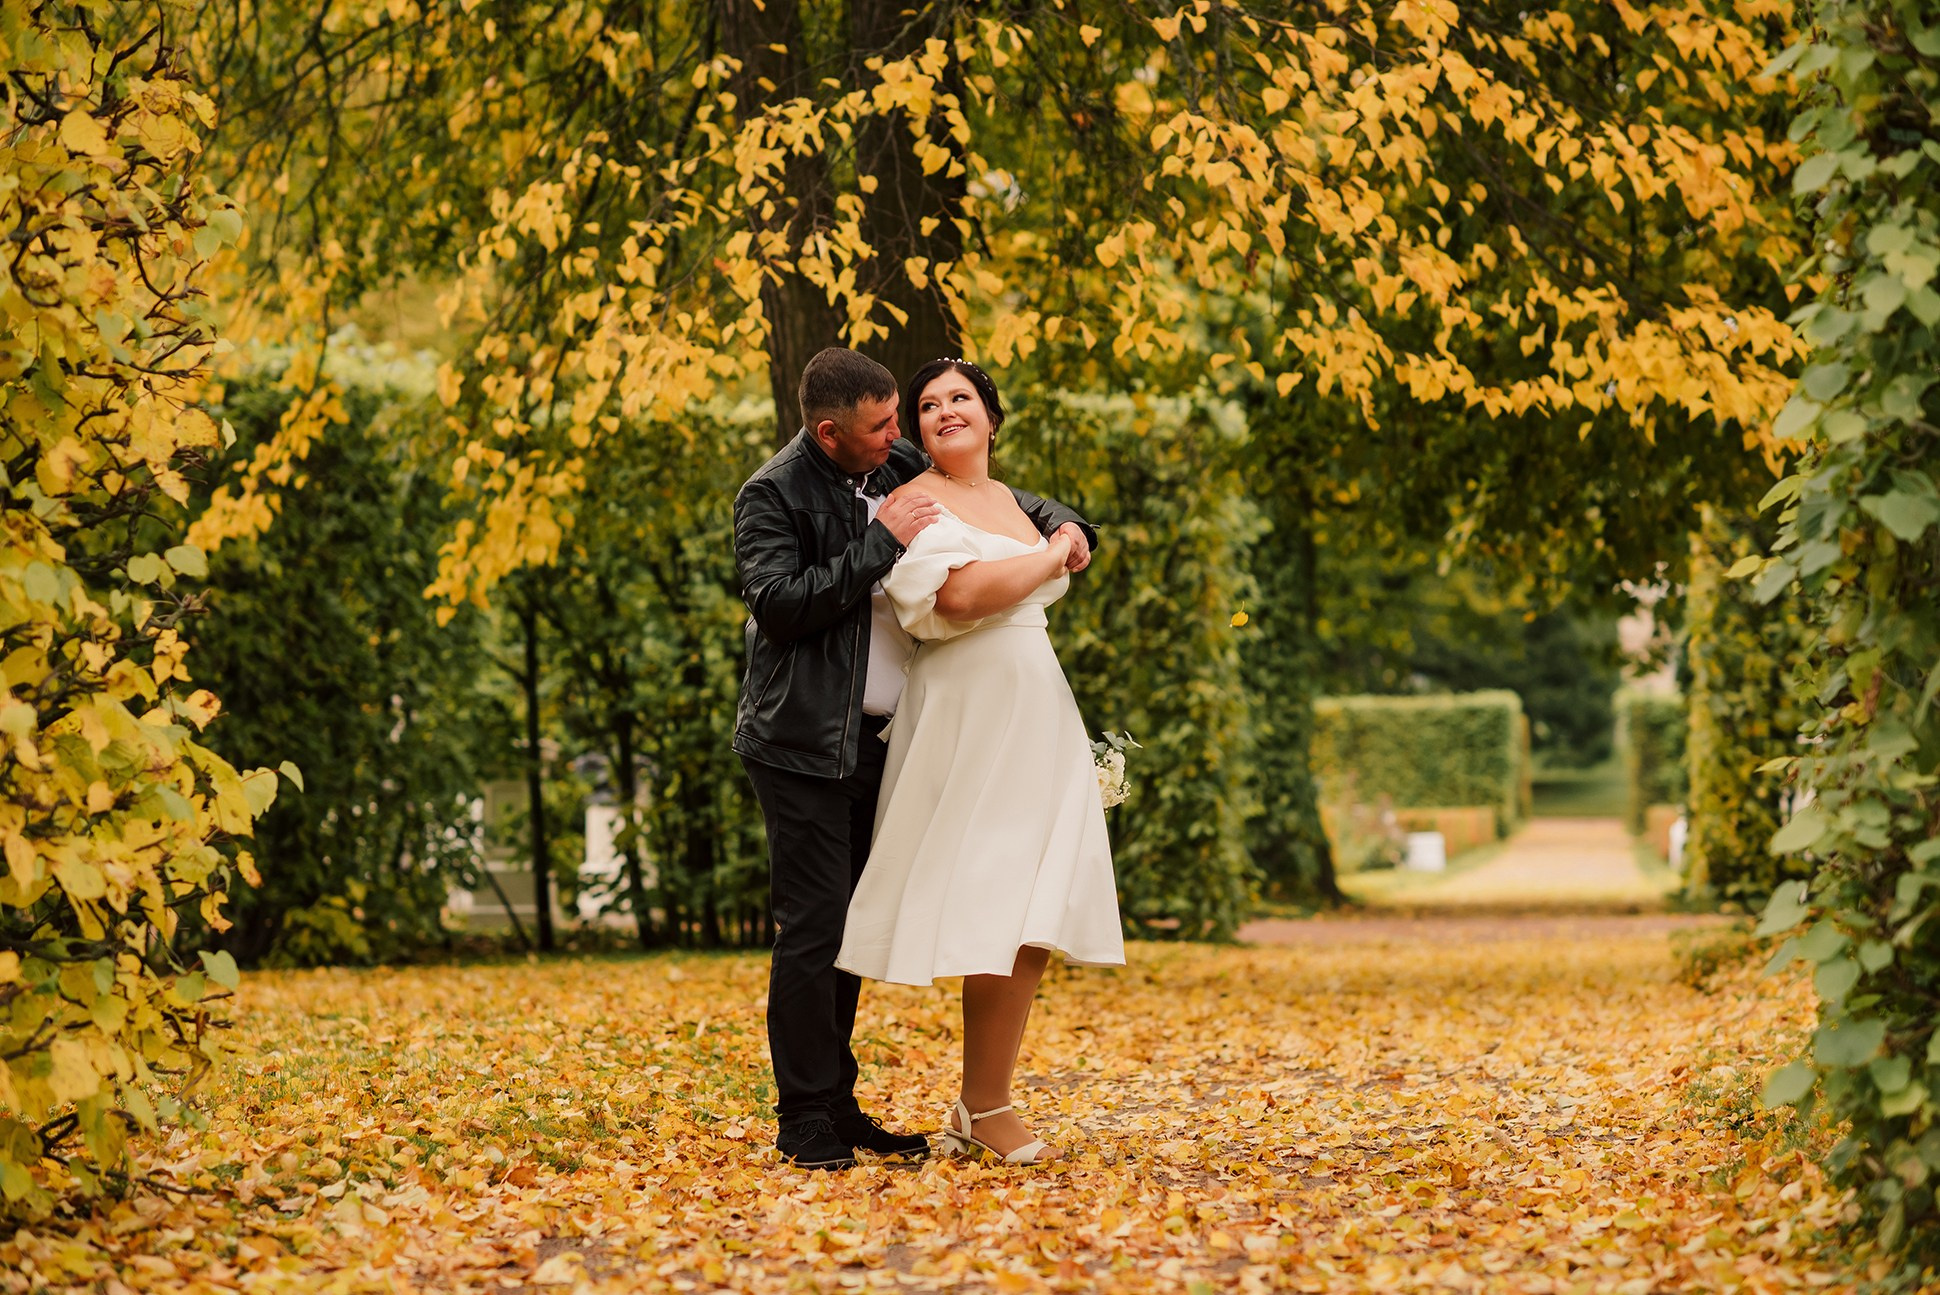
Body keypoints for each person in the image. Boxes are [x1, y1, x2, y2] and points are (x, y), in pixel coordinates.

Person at [733, 347, 1097, 1171]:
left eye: (903, 415)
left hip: (885, 735)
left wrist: (1071, 526)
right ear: (830, 432)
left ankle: (840, 1101)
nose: (900, 434)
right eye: (881, 425)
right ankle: (805, 1114)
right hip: (803, 740)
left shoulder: (892, 460)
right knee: (814, 925)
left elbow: (1004, 497)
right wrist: (879, 543)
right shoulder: (772, 493)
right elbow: (780, 606)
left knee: (850, 922)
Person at [835, 358, 1125, 1167]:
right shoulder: (914, 502)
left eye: (961, 398)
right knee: (996, 893)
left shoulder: (1016, 503)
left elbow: (1036, 555)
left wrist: (1063, 535)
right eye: (928, 405)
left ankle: (983, 1099)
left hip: (1037, 705)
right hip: (968, 710)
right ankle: (981, 1105)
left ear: (992, 417)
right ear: (919, 430)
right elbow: (957, 599)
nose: (945, 411)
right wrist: (1052, 555)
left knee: (1032, 907)